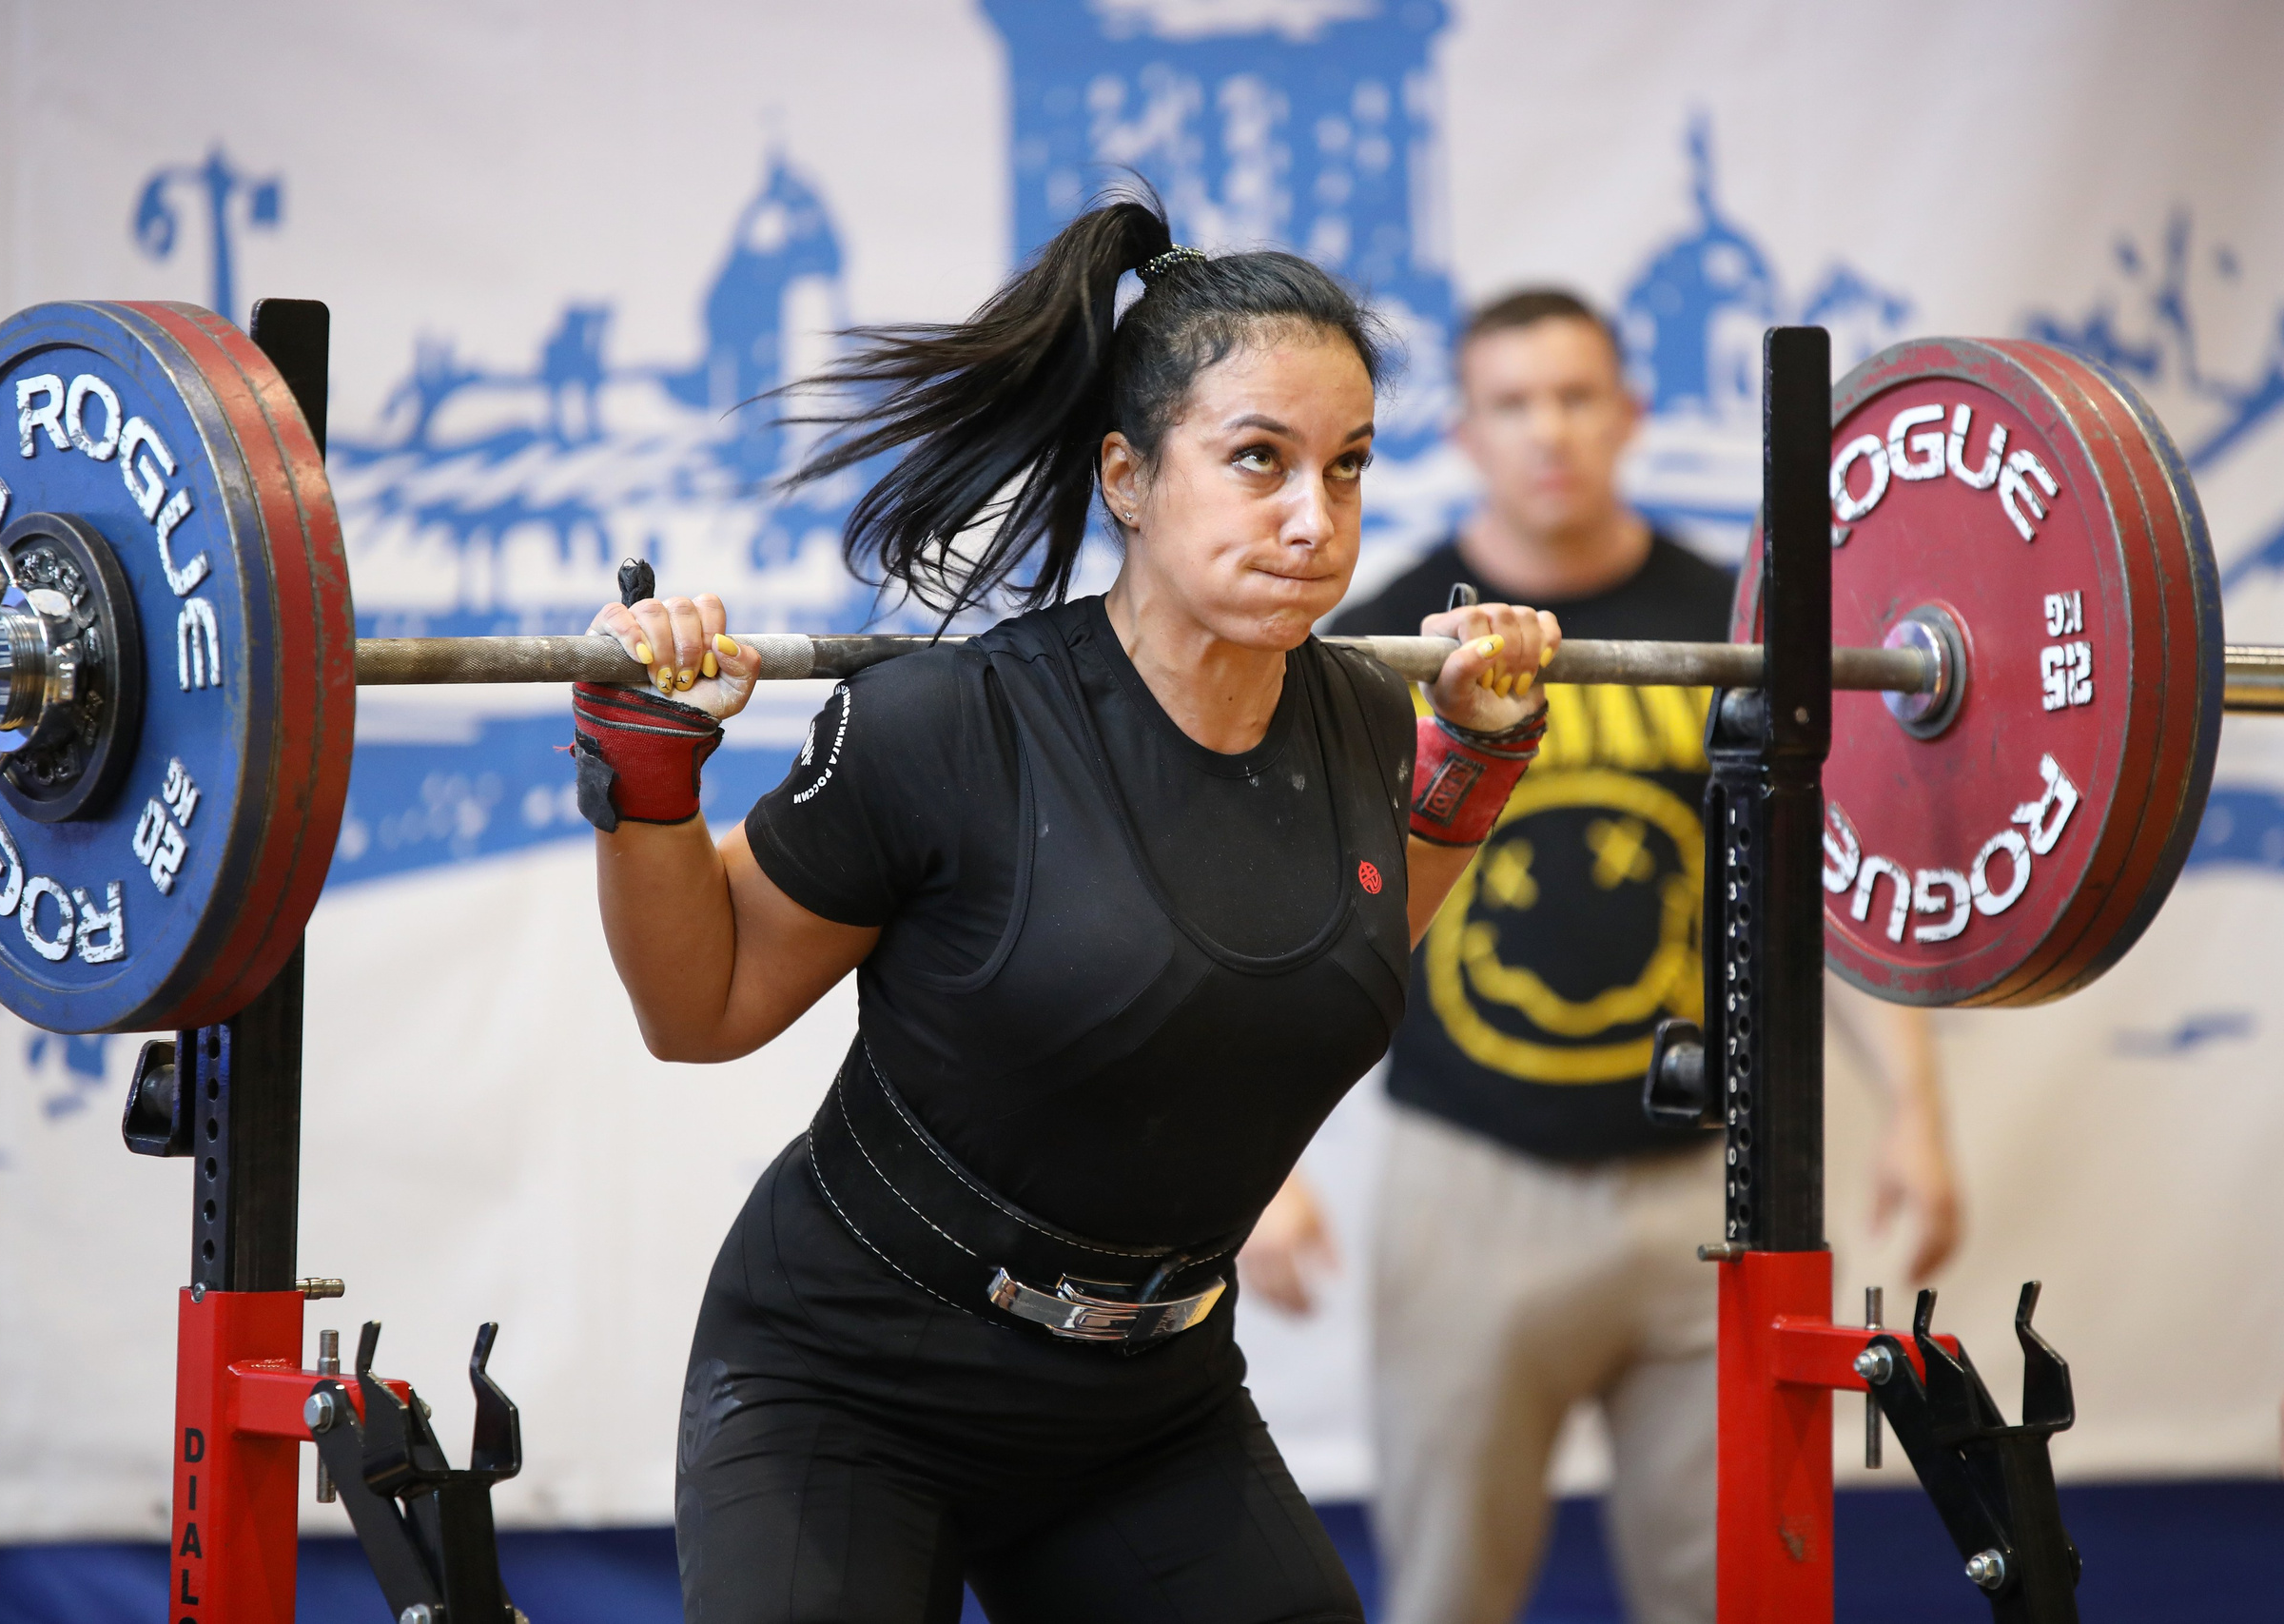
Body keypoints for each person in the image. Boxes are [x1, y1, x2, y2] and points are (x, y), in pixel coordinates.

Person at [571, 192, 1562, 1624]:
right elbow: (697, 1008)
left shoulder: (1361, 719)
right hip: (850, 1383)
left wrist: (1475, 764)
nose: (1312, 518)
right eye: (1258, 461)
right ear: (1130, 476)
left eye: (1346, 469)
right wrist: (645, 769)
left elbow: (1337, 946)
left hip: (1143, 1407)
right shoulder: (942, 729)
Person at [1238, 289, 1963, 1624]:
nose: (1549, 430)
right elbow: (1279, 924)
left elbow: (1821, 884)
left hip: (1707, 1187)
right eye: (1514, 403)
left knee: (1730, 1594)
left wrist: (1916, 1115)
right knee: (1447, 1592)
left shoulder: (1730, 618)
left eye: (1577, 396)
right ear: (1462, 432)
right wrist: (1258, 1164)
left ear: (1628, 414)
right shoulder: (1382, 640)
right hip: (1469, 1180)